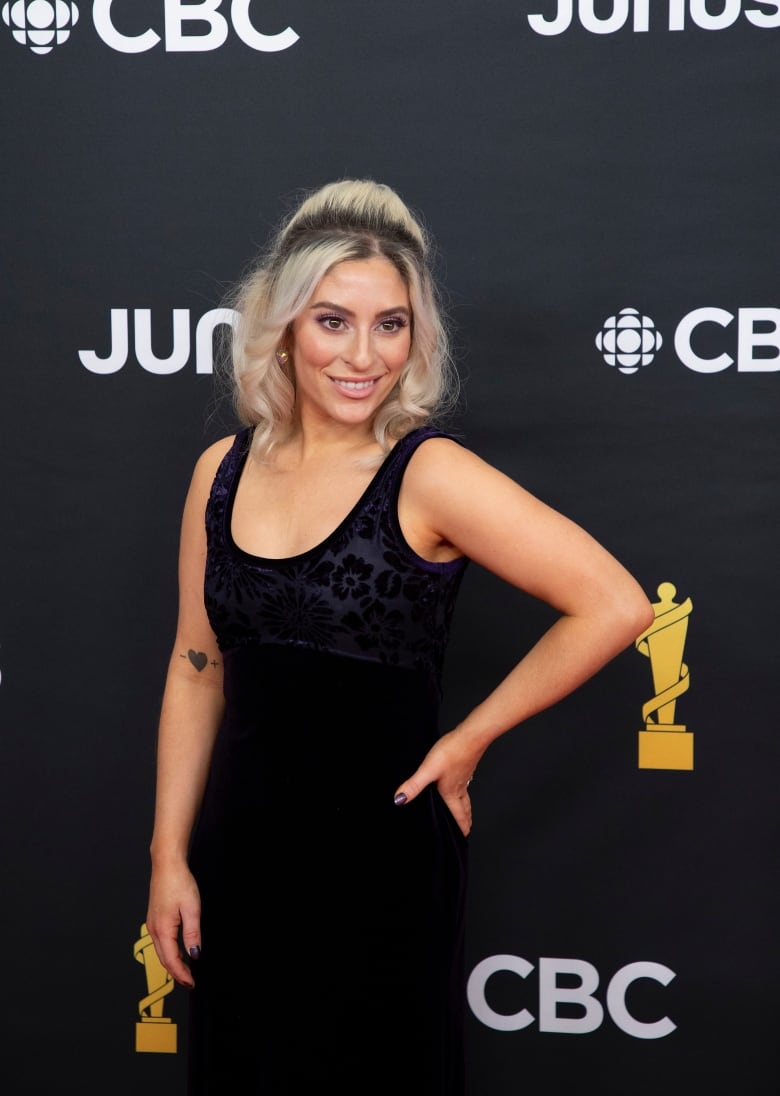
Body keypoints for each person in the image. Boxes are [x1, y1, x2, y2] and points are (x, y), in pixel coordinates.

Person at [145, 178, 654, 1094]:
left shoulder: (429, 473)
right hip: (243, 859)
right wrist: (169, 856)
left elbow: (615, 604)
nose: (364, 354)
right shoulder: (218, 472)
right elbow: (196, 667)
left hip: (380, 866)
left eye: (392, 324)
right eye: (334, 321)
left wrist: (466, 743)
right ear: (285, 327)